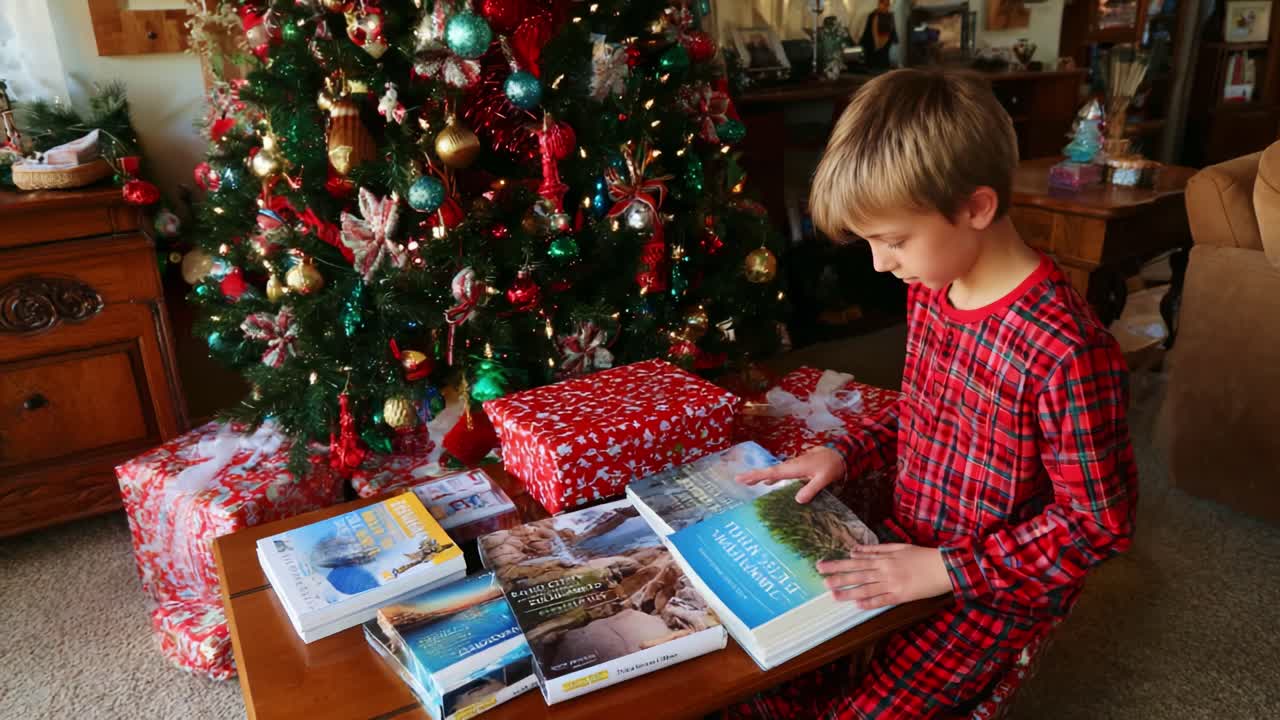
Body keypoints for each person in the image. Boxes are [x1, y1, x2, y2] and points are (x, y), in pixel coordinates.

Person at [733, 68, 1138, 719]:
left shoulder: (1066, 352)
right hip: (907, 538)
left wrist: (944, 572)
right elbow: (928, 414)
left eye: (892, 241)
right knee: (767, 678)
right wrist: (846, 453)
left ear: (975, 208)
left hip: (991, 591)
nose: (878, 264)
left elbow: (1098, 527)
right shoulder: (932, 288)